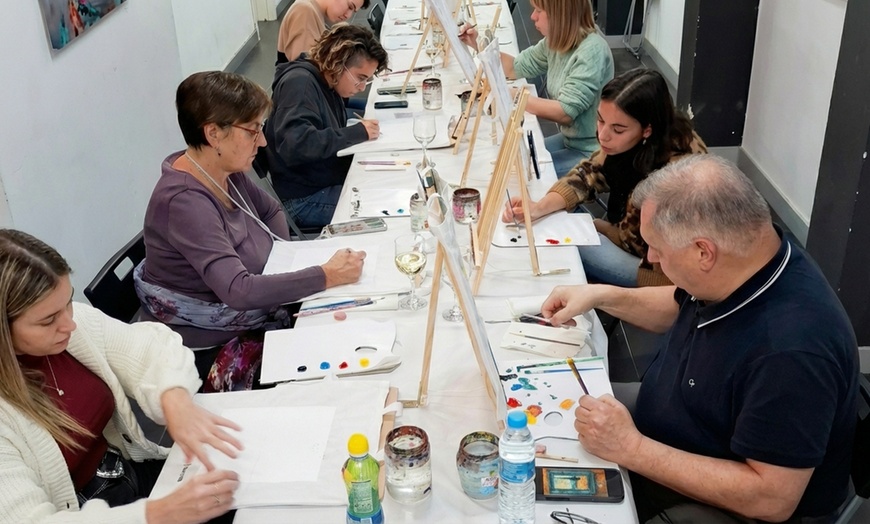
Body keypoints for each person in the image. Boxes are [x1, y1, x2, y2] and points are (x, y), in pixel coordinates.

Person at [542, 156, 859, 523]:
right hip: (675, 422)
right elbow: (679, 303)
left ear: (703, 252)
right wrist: (601, 296)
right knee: (554, 406)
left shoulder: (792, 353)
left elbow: (770, 498)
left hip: (725, 506)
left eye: (656, 248)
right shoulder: (749, 254)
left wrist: (632, 448)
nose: (650, 258)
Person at [137, 71, 366, 387]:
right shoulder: (185, 202)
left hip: (252, 307)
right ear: (214, 133)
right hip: (215, 341)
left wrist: (280, 264)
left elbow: (270, 210)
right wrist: (326, 275)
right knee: (339, 364)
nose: (263, 140)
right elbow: (239, 291)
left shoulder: (221, 169)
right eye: (253, 130)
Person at [0, 229, 242, 522]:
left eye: (68, 303)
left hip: (126, 481)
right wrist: (158, 514)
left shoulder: (72, 327)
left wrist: (174, 399)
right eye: (48, 320)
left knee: (245, 496)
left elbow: (153, 348)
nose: (70, 324)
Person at [504, 69, 706, 287]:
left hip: (657, 273)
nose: (603, 135)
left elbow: (637, 244)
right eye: (600, 120)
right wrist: (538, 207)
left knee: (567, 240)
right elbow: (588, 173)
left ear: (647, 130)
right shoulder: (641, 137)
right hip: (626, 235)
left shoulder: (675, 176)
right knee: (554, 215)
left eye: (618, 129)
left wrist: (597, 226)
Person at [459, 0, 613, 175]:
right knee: (506, 160)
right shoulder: (556, 42)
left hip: (593, 151)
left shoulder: (592, 52)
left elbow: (565, 112)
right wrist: (477, 42)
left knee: (520, 173)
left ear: (560, 16)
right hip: (572, 140)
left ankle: (558, 202)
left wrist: (515, 96)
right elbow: (514, 67)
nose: (532, 16)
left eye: (539, 11)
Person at [264, 24, 388, 229]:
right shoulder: (300, 85)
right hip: (303, 199)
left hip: (320, 180)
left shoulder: (327, 82)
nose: (362, 87)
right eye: (360, 78)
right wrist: (356, 133)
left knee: (382, 185)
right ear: (339, 64)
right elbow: (297, 144)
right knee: (383, 209)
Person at [275, 0, 370, 64]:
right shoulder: (305, 11)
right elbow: (304, 68)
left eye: (353, 11)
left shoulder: (316, 12)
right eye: (349, 7)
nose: (348, 15)